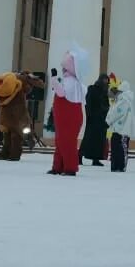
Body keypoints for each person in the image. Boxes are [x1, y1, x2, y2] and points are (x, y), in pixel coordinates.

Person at [49, 48, 87, 176]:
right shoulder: (77, 83)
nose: (63, 69)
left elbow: (61, 93)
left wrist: (54, 79)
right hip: (69, 115)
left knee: (66, 141)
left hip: (67, 116)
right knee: (62, 141)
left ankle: (69, 167)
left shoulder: (71, 82)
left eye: (65, 67)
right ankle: (58, 166)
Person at [104, 74, 135, 173]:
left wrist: (108, 121)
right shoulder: (120, 100)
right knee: (115, 147)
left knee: (120, 148)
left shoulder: (124, 101)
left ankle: (120, 166)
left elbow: (116, 113)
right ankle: (115, 165)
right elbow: (113, 111)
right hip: (118, 128)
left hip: (123, 129)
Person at [80, 73, 111, 167]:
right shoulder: (93, 89)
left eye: (107, 80)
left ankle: (96, 159)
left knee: (99, 141)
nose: (105, 82)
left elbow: (106, 104)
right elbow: (88, 103)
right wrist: (90, 115)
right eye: (104, 80)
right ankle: (79, 156)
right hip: (93, 119)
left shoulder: (105, 90)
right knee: (88, 139)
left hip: (102, 120)